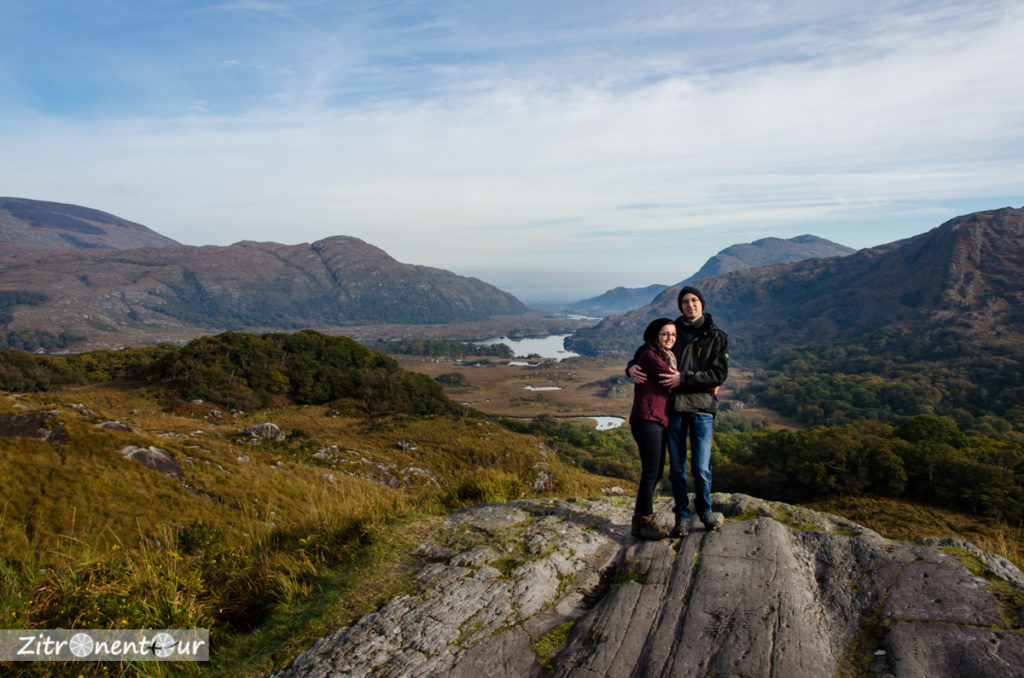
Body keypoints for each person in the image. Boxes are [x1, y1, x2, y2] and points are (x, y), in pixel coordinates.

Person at [628, 285, 728, 537]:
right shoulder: (674, 332)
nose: (690, 305)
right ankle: (682, 516)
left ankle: (704, 511)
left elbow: (719, 374)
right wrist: (630, 367)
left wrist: (684, 379)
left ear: (702, 304)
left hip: (702, 408)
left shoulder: (717, 336)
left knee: (701, 468)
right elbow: (647, 351)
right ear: (680, 306)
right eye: (685, 301)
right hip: (674, 410)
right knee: (676, 469)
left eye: (694, 300)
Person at [627, 318, 679, 540]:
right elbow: (671, 379)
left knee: (655, 471)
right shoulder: (651, 355)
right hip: (648, 419)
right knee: (651, 471)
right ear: (655, 335)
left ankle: (640, 522)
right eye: (665, 334)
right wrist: (709, 383)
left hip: (656, 419)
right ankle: (644, 519)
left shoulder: (663, 355)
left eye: (673, 335)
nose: (669, 338)